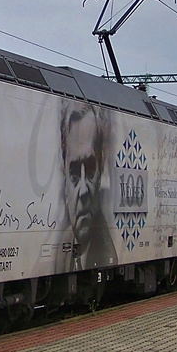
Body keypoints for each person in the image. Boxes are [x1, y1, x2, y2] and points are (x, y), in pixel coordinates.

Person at [59, 101, 117, 270]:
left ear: (101, 171)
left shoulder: (110, 253)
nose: (83, 190)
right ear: (64, 172)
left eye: (91, 169)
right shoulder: (58, 255)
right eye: (75, 172)